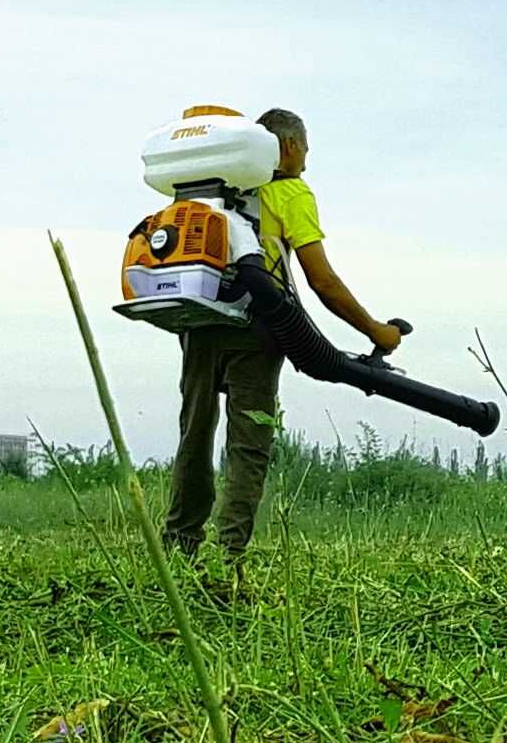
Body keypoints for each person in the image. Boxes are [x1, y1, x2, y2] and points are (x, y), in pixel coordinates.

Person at [157, 108, 406, 561]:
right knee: (249, 443)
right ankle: (229, 555)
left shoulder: (210, 188)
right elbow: (321, 281)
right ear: (289, 146)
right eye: (306, 148)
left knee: (194, 435)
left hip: (199, 323)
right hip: (257, 329)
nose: (307, 159)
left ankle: (179, 546)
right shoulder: (290, 192)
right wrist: (376, 330)